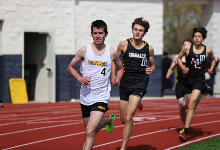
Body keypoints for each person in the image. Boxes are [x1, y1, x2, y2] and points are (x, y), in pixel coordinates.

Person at [67, 20, 124, 150]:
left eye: (100, 33)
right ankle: (109, 121)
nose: (98, 36)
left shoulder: (112, 52)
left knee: (89, 132)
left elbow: (120, 68)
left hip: (102, 95)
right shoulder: (84, 51)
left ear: (106, 34)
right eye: (95, 33)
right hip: (85, 95)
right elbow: (70, 67)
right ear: (91, 34)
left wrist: (116, 78)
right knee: (90, 130)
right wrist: (79, 78)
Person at [111, 17, 156, 150]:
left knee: (129, 117)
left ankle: (123, 148)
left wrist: (150, 70)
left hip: (139, 84)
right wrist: (114, 76)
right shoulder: (124, 44)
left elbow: (153, 65)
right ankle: (136, 102)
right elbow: (115, 60)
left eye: (140, 30)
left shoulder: (149, 48)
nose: (137, 32)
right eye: (135, 29)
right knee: (123, 119)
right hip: (124, 83)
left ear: (144, 33)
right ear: (132, 30)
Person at [177, 27, 216, 142]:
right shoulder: (187, 48)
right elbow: (179, 58)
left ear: (203, 38)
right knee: (190, 106)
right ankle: (205, 89)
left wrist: (211, 68)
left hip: (199, 80)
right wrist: (183, 67)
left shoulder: (207, 51)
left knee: (191, 104)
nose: (197, 38)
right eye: (195, 36)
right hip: (188, 80)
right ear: (193, 38)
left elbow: (213, 60)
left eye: (199, 36)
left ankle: (185, 132)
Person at [166, 39, 203, 134]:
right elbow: (171, 67)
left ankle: (193, 106)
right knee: (181, 107)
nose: (186, 47)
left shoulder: (194, 58)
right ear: (182, 46)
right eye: (184, 45)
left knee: (186, 105)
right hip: (180, 85)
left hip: (190, 84)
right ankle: (186, 126)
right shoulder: (176, 57)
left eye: (188, 45)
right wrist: (169, 72)